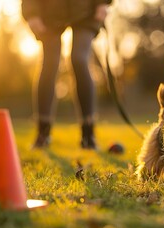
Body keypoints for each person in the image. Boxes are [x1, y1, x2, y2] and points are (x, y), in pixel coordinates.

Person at [21, 0, 112, 149]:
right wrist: (31, 13)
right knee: (50, 63)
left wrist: (102, 3)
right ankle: (43, 134)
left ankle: (88, 134)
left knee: (79, 59)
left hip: (86, 10)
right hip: (49, 11)